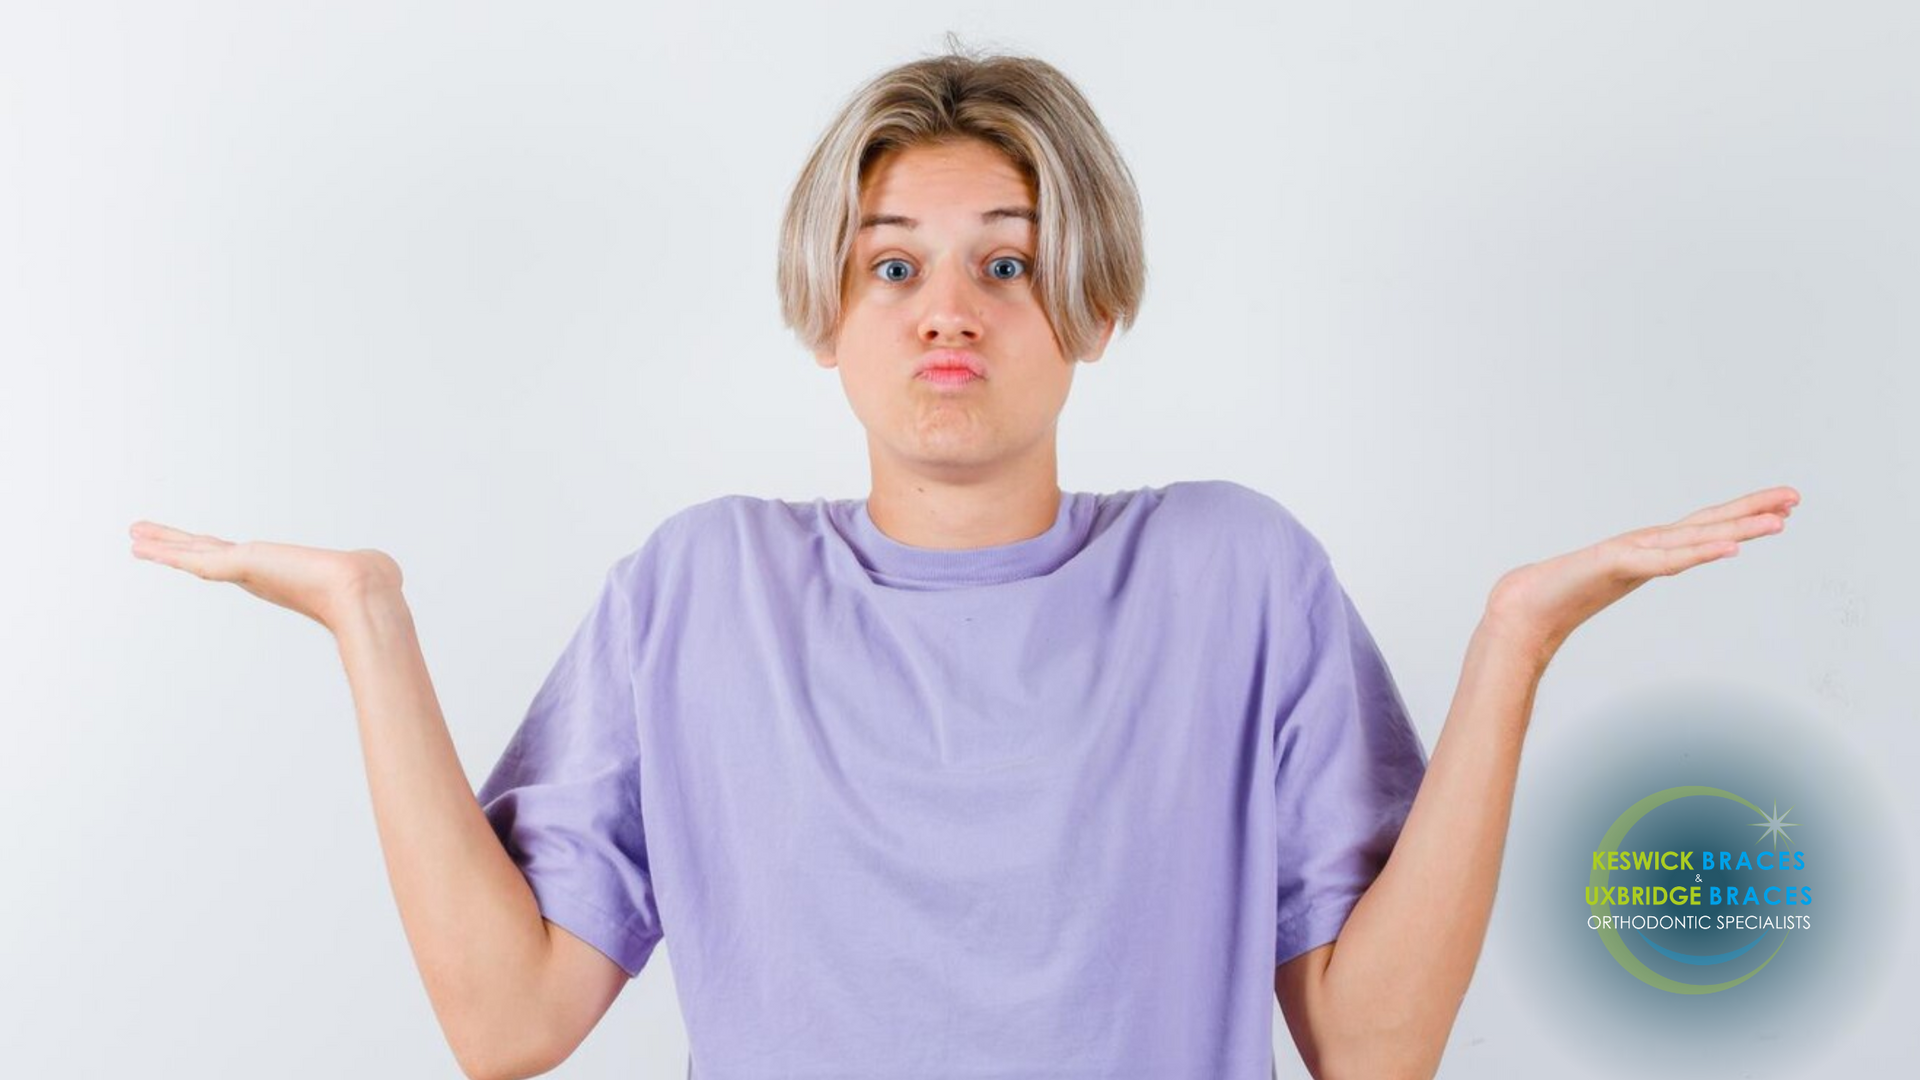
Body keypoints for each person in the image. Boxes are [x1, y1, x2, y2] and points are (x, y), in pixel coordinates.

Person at [128, 35, 1799, 1080]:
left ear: (1095, 303)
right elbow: (509, 1027)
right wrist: (369, 622)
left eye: (1009, 265)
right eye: (892, 267)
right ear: (824, 312)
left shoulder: (1237, 577)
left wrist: (1515, 641)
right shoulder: (699, 590)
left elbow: (1370, 1051)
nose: (947, 310)